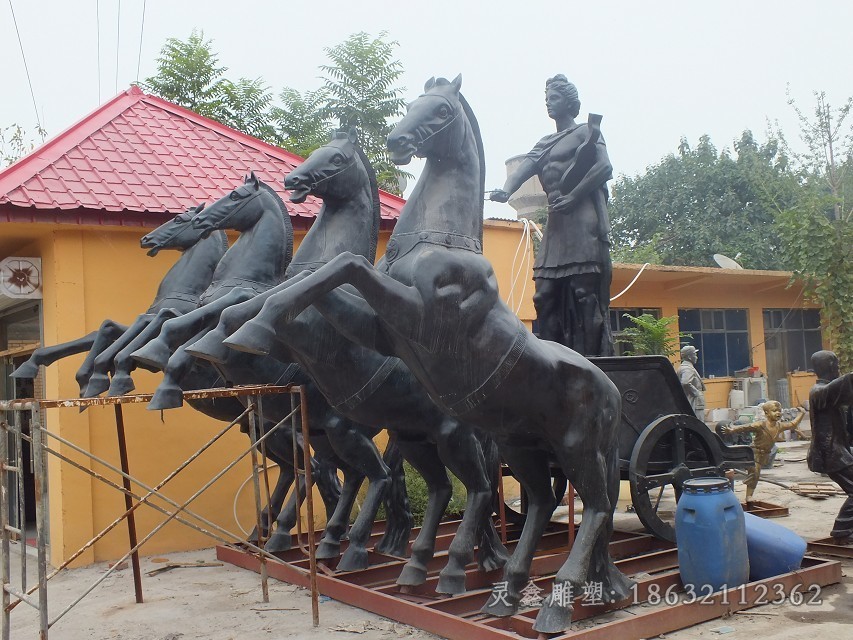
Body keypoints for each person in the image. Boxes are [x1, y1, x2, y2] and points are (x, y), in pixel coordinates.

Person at [490, 75, 613, 356]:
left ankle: (594, 364)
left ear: (569, 103)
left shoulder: (586, 132)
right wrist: (506, 191)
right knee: (543, 296)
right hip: (556, 226)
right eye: (546, 97)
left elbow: (604, 168)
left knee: (585, 297)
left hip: (582, 222)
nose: (548, 102)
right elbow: (525, 168)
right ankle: (549, 361)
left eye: (554, 97)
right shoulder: (544, 143)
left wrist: (574, 195)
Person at [806, 350, 853, 542]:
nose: (839, 369)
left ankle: (845, 528)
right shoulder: (819, 392)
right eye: (837, 365)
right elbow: (843, 384)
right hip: (830, 453)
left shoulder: (825, 391)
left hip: (837, 451)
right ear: (830, 366)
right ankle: (842, 529)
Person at [721, 400, 806, 503]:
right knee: (755, 473)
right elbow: (746, 427)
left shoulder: (779, 426)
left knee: (756, 475)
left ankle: (749, 495)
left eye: (779, 410)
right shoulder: (760, 425)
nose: (778, 413)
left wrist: (802, 414)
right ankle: (749, 497)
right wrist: (732, 430)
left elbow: (792, 424)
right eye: (774, 411)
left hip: (764, 455)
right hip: (754, 453)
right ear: (766, 413)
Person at [678, 345, 706, 420]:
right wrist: (696, 393)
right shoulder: (687, 369)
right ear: (689, 357)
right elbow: (685, 383)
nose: (696, 357)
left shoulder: (683, 367)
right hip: (694, 402)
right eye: (695, 355)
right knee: (699, 423)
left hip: (692, 400)